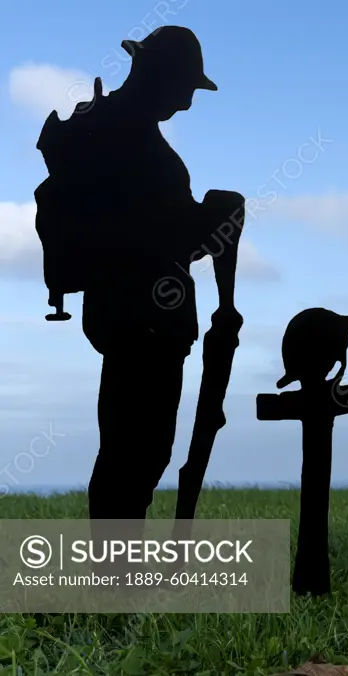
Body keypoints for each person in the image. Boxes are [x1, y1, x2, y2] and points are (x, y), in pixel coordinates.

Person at [35, 26, 223, 520]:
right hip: (147, 319)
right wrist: (215, 220)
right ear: (160, 76)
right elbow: (155, 236)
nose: (186, 103)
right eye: (185, 87)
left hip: (127, 315)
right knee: (136, 450)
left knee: (130, 447)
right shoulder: (134, 146)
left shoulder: (113, 131)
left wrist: (202, 225)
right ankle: (113, 576)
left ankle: (115, 572)